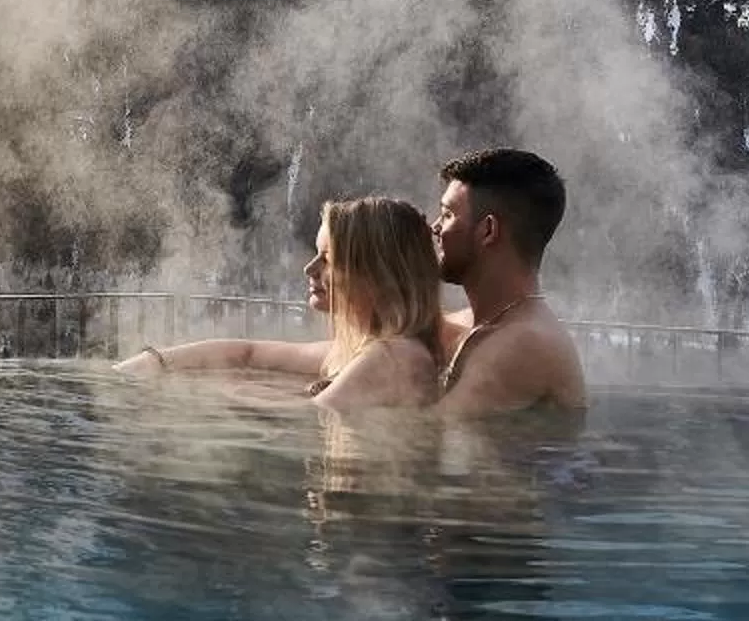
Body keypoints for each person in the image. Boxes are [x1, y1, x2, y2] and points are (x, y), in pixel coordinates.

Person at [116, 196, 441, 410]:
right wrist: (156, 362)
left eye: (328, 259)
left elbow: (308, 417)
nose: (309, 269)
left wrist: (186, 393)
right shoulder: (357, 350)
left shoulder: (395, 356)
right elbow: (249, 352)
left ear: (379, 273)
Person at [429, 147, 586, 418]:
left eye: (447, 214)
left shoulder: (528, 343)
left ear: (488, 230)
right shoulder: (473, 324)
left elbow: (426, 433)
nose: (435, 227)